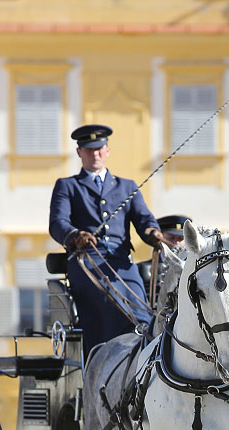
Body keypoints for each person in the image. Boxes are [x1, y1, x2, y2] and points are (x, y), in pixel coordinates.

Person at [49, 123, 164, 353]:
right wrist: (76, 236)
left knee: (140, 310)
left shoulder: (127, 186)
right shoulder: (68, 186)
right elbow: (57, 223)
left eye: (100, 149)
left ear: (108, 151)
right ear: (79, 152)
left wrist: (154, 234)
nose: (95, 154)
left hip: (121, 261)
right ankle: (103, 358)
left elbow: (144, 220)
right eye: (89, 150)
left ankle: (143, 360)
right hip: (86, 260)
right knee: (107, 305)